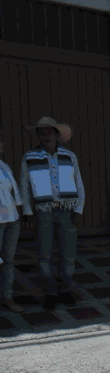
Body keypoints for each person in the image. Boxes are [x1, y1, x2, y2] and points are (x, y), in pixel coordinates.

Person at [19, 117, 85, 310]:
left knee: (68, 253)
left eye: (48, 131)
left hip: (66, 211)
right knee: (44, 253)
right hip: (43, 212)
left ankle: (64, 290)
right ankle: (50, 291)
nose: (44, 135)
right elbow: (25, 186)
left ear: (56, 134)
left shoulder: (70, 156)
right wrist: (28, 211)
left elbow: (78, 183)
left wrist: (78, 209)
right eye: (41, 132)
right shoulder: (30, 157)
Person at [0, 125, 24, 312]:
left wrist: (19, 211)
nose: (2, 146)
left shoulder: (4, 165)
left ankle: (7, 297)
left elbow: (14, 191)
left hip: (11, 220)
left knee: (8, 260)